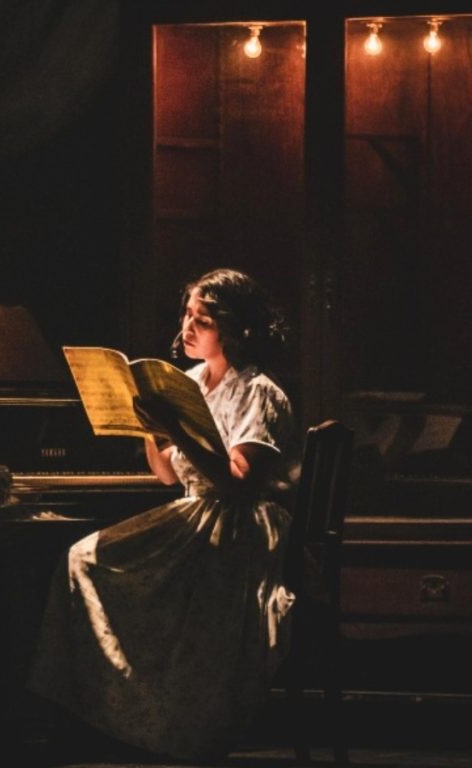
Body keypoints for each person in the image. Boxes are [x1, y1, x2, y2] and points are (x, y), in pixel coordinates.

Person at [27, 268, 300, 761]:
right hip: (196, 511)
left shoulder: (258, 390)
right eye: (187, 316)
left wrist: (176, 424)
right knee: (84, 558)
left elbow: (236, 482)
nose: (187, 328)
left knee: (96, 564)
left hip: (235, 522)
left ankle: (156, 721)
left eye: (203, 320)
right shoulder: (190, 380)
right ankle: (95, 712)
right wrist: (149, 429)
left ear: (235, 329)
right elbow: (169, 476)